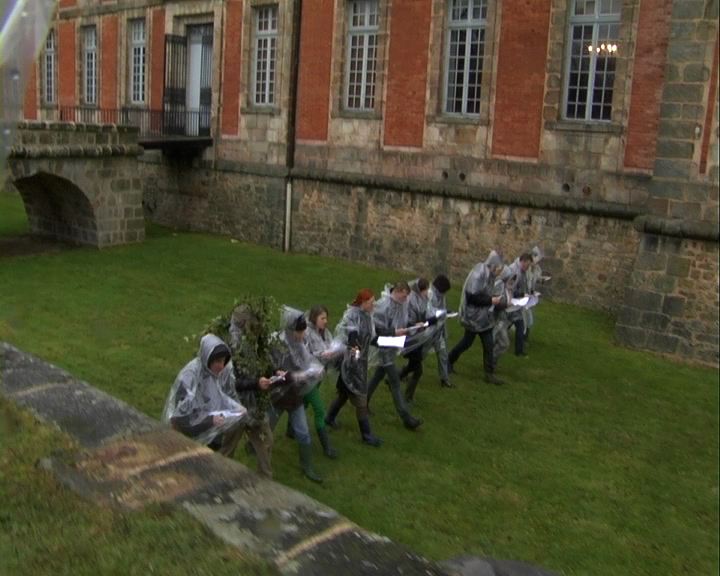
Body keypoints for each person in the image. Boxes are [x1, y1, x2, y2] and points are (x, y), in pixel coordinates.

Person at [162, 333, 247, 458]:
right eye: (218, 361)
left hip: (199, 436)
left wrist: (235, 408)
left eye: (223, 361)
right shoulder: (190, 376)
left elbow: (217, 397)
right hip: (183, 438)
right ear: (208, 358)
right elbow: (182, 418)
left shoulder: (210, 374)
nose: (222, 366)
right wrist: (210, 421)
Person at [268, 306, 325, 483]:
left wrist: (313, 371)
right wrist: (293, 376)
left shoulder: (299, 345)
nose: (302, 336)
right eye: (299, 332)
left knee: (303, 432)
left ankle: (307, 466)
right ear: (290, 330)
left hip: (294, 396)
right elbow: (272, 370)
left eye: (303, 332)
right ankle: (254, 447)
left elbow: (307, 362)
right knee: (267, 428)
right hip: (278, 396)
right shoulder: (276, 344)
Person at [226, 301, 281, 479]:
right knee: (228, 448)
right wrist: (255, 383)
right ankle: (218, 475)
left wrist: (274, 372)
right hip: (237, 406)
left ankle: (264, 478)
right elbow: (231, 383)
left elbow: (262, 362)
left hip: (255, 405)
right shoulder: (231, 347)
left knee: (266, 440)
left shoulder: (255, 342)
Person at [324, 288, 382, 447]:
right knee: (361, 398)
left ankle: (329, 418)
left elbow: (372, 338)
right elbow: (353, 340)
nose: (374, 305)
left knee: (344, 394)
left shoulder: (368, 316)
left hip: (358, 363)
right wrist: (356, 360)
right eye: (371, 302)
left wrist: (392, 341)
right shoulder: (352, 316)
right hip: (351, 365)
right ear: (363, 302)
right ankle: (366, 435)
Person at [366, 281, 424, 430]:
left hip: (392, 345)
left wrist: (414, 326)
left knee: (378, 375)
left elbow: (402, 322)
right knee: (395, 382)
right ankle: (407, 418)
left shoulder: (401, 303)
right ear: (398, 291)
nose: (405, 300)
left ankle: (362, 402)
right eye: (404, 296)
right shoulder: (383, 306)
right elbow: (376, 331)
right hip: (384, 346)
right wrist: (394, 332)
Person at [448, 250, 505, 385]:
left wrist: (494, 300)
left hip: (484, 317)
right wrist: (491, 300)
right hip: (473, 317)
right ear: (493, 265)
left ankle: (489, 374)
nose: (499, 271)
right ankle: (448, 361)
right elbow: (472, 297)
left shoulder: (490, 275)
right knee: (466, 343)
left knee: (489, 344)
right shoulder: (478, 273)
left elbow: (486, 293)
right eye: (498, 268)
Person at [301, 304, 343, 459]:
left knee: (303, 403)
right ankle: (327, 447)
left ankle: (291, 429)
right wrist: (324, 354)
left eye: (326, 318)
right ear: (314, 318)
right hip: (308, 378)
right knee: (319, 410)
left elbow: (331, 346)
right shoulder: (306, 333)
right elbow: (305, 354)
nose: (326, 321)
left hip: (318, 376)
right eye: (322, 318)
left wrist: (335, 351)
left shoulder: (325, 332)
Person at [428, 274, 453, 387]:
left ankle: (445, 379)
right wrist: (444, 313)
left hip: (438, 331)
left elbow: (442, 310)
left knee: (443, 354)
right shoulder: (431, 295)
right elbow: (431, 313)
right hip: (428, 331)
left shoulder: (441, 296)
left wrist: (446, 312)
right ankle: (403, 373)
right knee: (419, 356)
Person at [507, 253, 533, 357]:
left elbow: (523, 285)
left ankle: (519, 351)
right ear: (523, 261)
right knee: (510, 325)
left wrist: (528, 294)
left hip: (516, 305)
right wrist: (522, 294)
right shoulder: (514, 271)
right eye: (528, 265)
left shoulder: (522, 271)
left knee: (519, 325)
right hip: (510, 304)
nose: (528, 267)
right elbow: (509, 289)